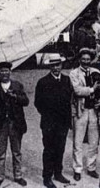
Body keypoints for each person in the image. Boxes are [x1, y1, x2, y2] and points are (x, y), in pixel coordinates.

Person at [35, 55, 73, 188]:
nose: (56, 68)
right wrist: (49, 116)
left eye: (58, 65)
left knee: (60, 148)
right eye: (53, 65)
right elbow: (38, 103)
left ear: (61, 65)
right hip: (49, 123)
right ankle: (47, 177)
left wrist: (67, 120)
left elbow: (69, 100)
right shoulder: (43, 82)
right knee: (49, 150)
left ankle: (58, 173)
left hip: (63, 123)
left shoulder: (67, 80)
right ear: (50, 67)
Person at [70, 48, 100, 181]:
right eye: (83, 59)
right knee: (78, 141)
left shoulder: (96, 72)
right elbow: (77, 90)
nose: (86, 61)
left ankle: (91, 167)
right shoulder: (74, 73)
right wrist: (93, 89)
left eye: (88, 59)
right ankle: (77, 169)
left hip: (94, 111)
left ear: (91, 60)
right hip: (80, 110)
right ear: (79, 59)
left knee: (94, 141)